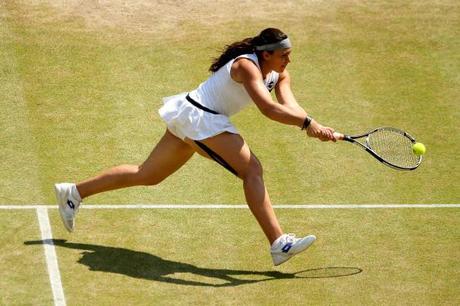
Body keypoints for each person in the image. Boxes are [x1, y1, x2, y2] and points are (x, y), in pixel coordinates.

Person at [55, 28, 336, 266]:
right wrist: (306, 123)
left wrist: (319, 127)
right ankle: (278, 243)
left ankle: (73, 192)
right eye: (284, 54)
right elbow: (268, 108)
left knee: (148, 174)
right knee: (252, 170)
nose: (289, 59)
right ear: (266, 54)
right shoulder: (245, 66)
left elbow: (290, 107)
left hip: (192, 117)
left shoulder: (280, 74)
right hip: (200, 118)